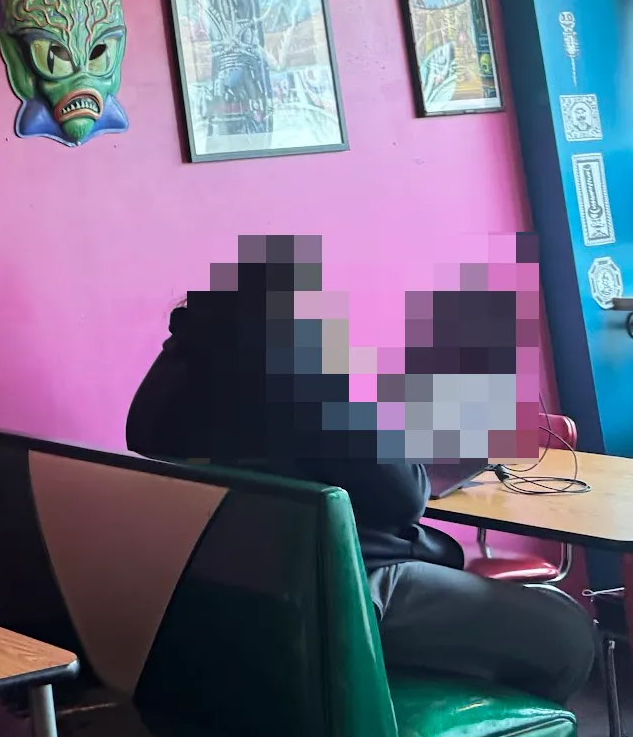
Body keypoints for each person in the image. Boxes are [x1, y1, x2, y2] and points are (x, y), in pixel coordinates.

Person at [127, 250, 594, 703]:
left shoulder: (168, 383)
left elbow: (281, 453)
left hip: (229, 594)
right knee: (565, 630)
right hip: (345, 592)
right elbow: (405, 497)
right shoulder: (306, 375)